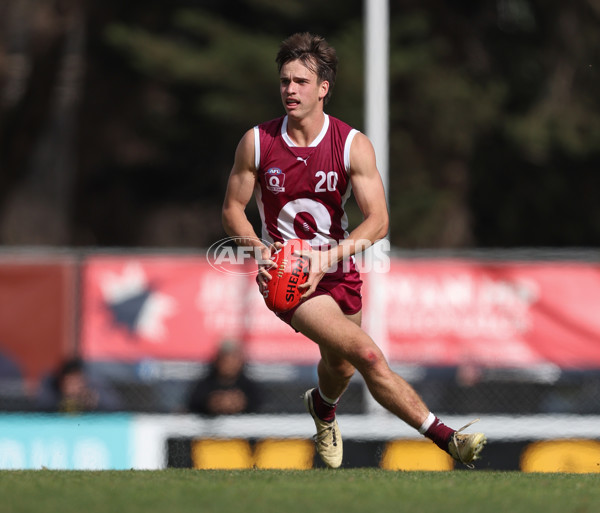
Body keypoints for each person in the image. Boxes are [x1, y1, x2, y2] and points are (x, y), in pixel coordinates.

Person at [221, 32, 486, 468]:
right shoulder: (257, 142)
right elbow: (232, 209)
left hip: (337, 270)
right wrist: (260, 251)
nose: (290, 89)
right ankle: (449, 437)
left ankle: (322, 409)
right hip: (289, 278)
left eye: (301, 82)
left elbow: (379, 220)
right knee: (366, 355)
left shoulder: (351, 144)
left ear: (323, 88)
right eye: (285, 81)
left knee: (340, 367)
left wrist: (327, 258)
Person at [187, 340, 260, 415]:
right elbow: (193, 408)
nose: (229, 364)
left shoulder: (250, 387)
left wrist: (243, 404)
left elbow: (259, 409)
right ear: (218, 361)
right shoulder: (204, 385)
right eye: (226, 360)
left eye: (233, 360)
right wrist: (211, 403)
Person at [35, 358, 122, 413]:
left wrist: (96, 403)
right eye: (70, 383)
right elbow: (41, 408)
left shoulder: (93, 393)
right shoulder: (51, 392)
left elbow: (115, 406)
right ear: (62, 383)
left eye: (77, 383)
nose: (74, 389)